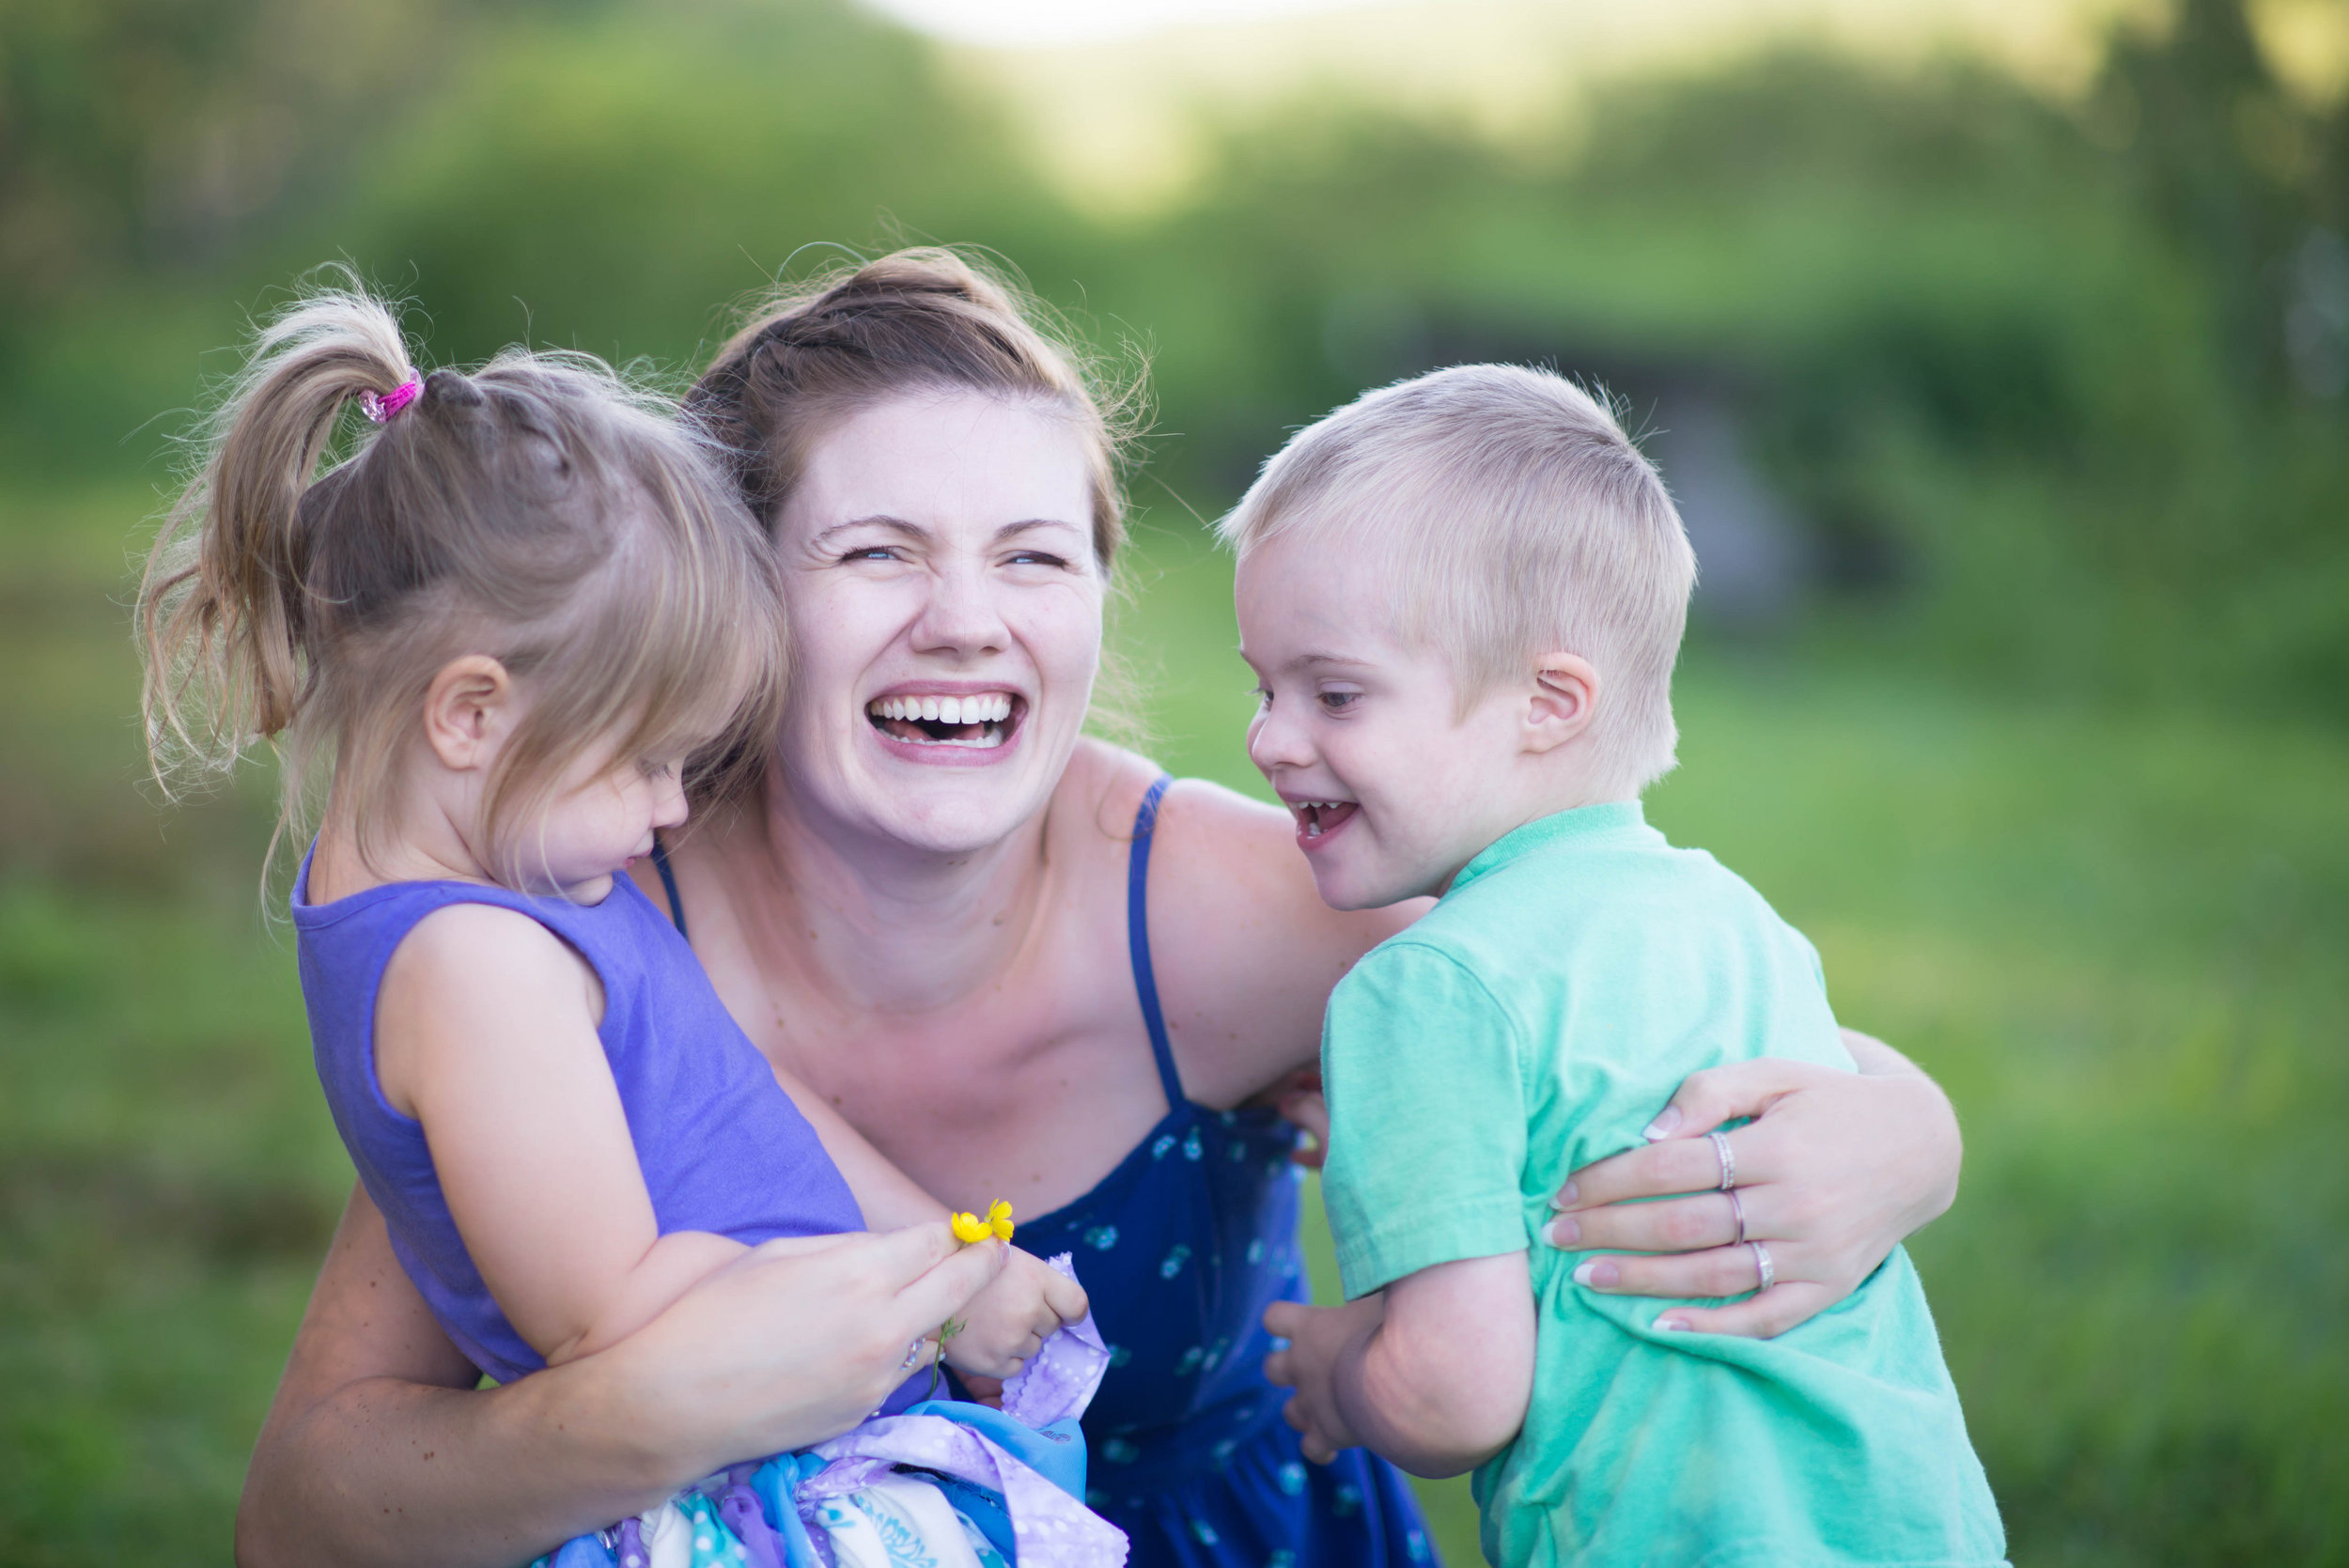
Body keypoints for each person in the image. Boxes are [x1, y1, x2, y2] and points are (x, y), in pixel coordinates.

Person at [234, 251, 1970, 1568]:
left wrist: (1908, 1130)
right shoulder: (576, 931)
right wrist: (637, 1412)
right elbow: (305, 1501)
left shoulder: (1232, 908)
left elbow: (1643, 1000)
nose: (968, 620)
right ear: (725, 606)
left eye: (1036, 555)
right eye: (878, 551)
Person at [138, 279, 1103, 1566]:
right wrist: (902, 1313)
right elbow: (612, 1324)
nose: (671, 806)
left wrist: (950, 1251)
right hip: (754, 1493)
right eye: (649, 760)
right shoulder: (470, 966)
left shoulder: (513, 886)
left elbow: (730, 1084)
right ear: (470, 717)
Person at [1242, 365, 2004, 1566]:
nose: (1270, 739)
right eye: (1263, 687)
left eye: (1332, 693)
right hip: (1915, 1522)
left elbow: (1454, 1395)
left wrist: (1339, 1376)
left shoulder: (1421, 985)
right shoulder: (1729, 914)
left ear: (1549, 702)